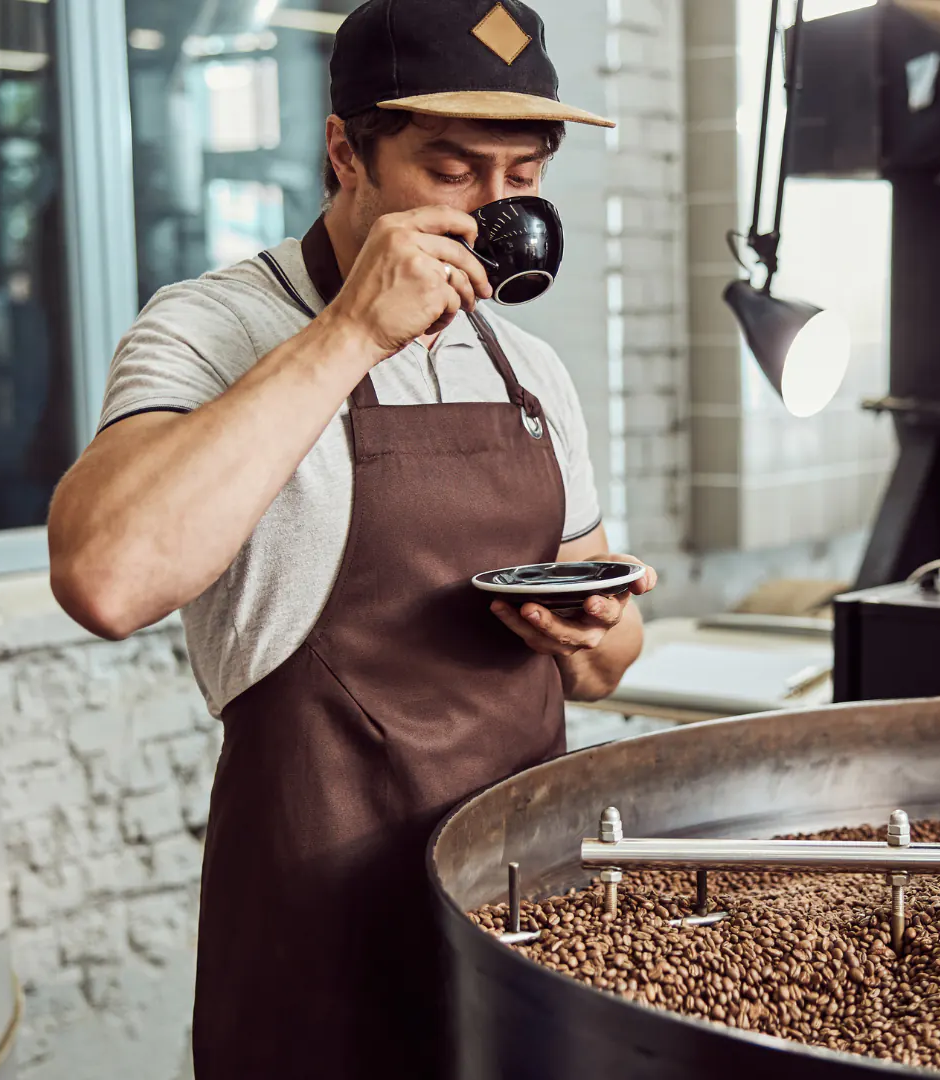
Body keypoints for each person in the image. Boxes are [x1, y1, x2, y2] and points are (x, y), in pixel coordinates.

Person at [45, 1, 650, 1074]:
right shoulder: (208, 329)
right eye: (454, 170)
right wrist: (350, 332)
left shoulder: (528, 370)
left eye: (523, 177)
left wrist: (584, 624)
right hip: (316, 920)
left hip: (510, 908)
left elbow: (607, 665)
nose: (495, 210)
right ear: (345, 155)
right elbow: (106, 577)